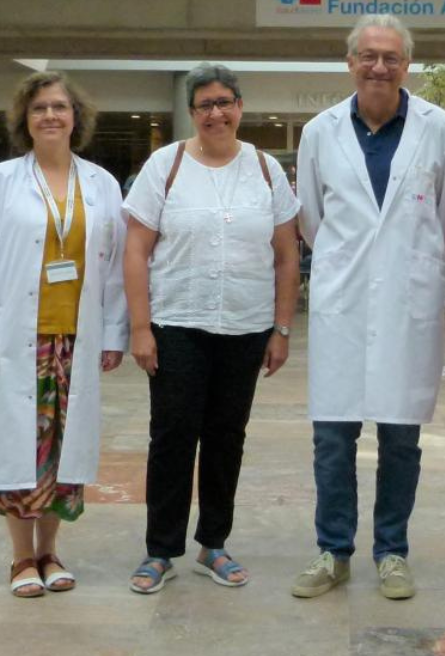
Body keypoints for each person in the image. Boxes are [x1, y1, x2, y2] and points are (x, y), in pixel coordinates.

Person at [291, 14, 445, 601]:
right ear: (350, 63)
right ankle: (332, 550)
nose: (379, 66)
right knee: (333, 439)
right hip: (342, 304)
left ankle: (392, 551)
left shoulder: (439, 130)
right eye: (368, 56)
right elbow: (312, 220)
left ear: (406, 65)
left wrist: (416, 271)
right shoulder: (320, 132)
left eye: (391, 57)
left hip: (407, 302)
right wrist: (357, 268)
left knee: (400, 439)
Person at [122, 63, 301, 593]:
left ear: (240, 106)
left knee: (227, 437)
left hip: (245, 327)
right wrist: (139, 327)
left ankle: (214, 544)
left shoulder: (266, 169)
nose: (216, 113)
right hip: (177, 322)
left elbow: (287, 258)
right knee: (172, 436)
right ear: (193, 112)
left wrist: (281, 329)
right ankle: (160, 549)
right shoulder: (166, 165)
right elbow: (136, 250)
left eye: (225, 102)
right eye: (205, 105)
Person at [0, 71, 128, 598]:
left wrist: (115, 331)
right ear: (24, 120)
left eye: (59, 106)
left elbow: (117, 266)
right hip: (17, 339)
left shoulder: (101, 184)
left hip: (75, 337)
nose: (50, 116)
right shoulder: (1, 181)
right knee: (20, 448)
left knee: (61, 453)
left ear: (76, 116)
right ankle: (21, 557)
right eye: (39, 109)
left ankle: (51, 552)